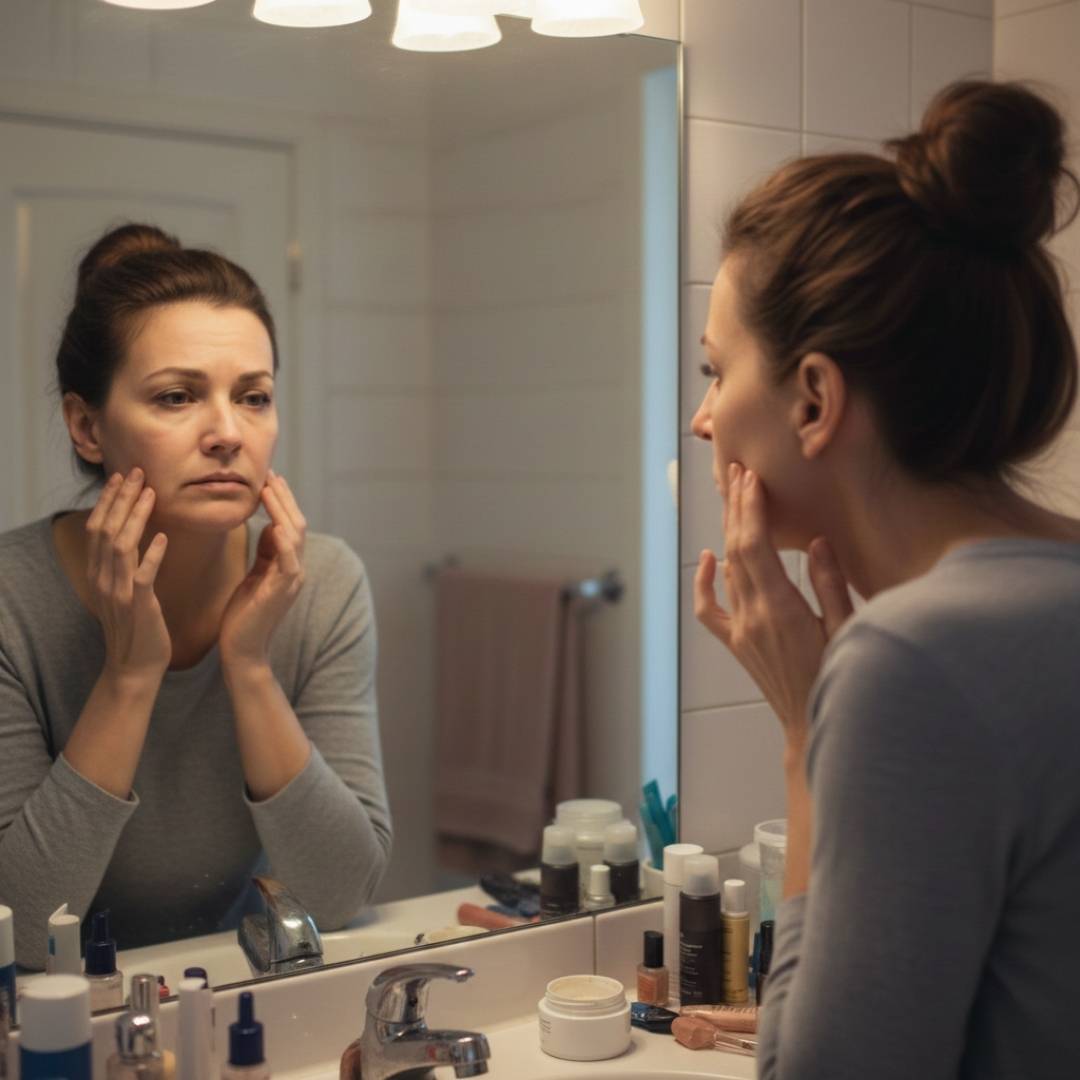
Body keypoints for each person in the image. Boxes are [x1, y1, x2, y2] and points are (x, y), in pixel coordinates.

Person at [691, 80, 1080, 1078]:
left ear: (815, 398)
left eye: (714, 373)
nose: (704, 422)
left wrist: (802, 726)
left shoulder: (911, 661)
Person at [0, 224, 392, 969]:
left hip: (236, 988)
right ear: (87, 425)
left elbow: (341, 891)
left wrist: (248, 665)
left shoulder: (322, 584)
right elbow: (19, 929)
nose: (226, 433)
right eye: (177, 396)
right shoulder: (12, 603)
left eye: (254, 397)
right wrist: (129, 675)